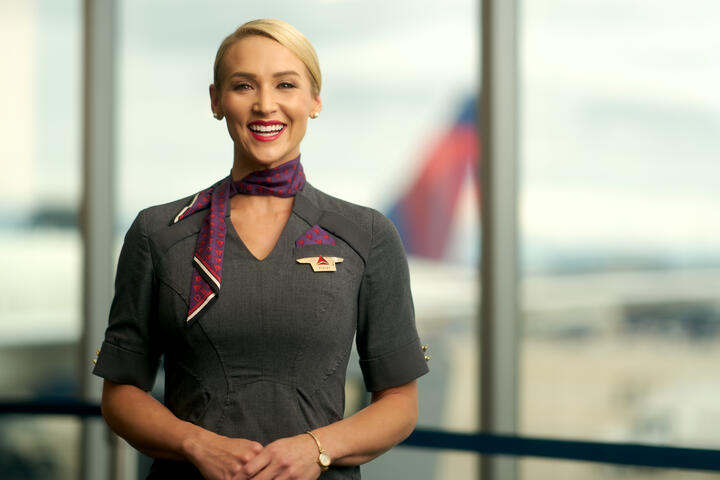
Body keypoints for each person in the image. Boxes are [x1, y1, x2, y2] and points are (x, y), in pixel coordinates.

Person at [92, 18, 429, 480]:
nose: (265, 105)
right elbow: (121, 394)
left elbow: (399, 404)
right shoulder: (158, 233)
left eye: (286, 85)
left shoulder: (367, 234)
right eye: (244, 85)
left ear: (314, 100)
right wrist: (198, 445)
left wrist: (317, 448)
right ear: (217, 101)